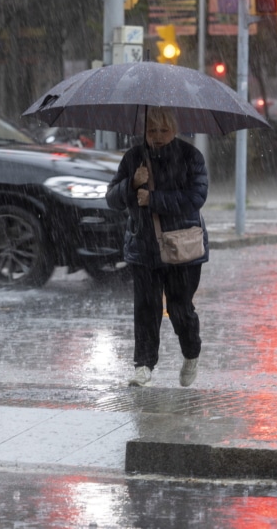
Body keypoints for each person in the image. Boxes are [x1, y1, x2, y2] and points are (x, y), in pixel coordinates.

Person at [106, 106, 208, 388]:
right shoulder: (133, 158)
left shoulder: (190, 157)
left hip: (182, 248)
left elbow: (196, 197)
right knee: (146, 308)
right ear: (144, 131)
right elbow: (112, 199)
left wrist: (154, 199)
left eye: (164, 130)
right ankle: (143, 365)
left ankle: (191, 354)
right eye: (152, 130)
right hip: (144, 247)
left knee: (180, 309)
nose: (158, 136)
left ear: (174, 129)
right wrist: (131, 184)